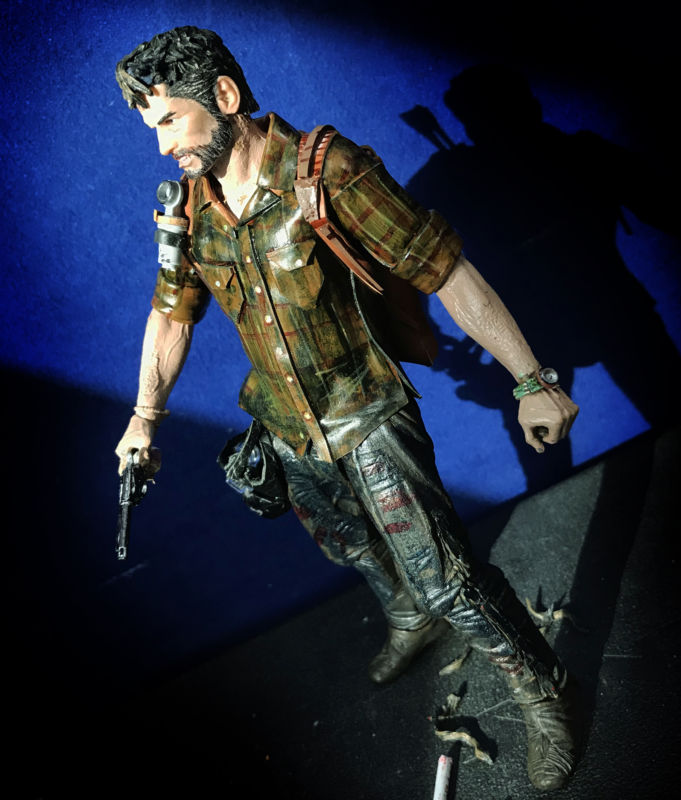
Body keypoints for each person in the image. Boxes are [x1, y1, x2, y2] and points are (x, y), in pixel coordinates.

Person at [114, 26, 580, 791]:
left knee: (448, 578)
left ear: (223, 96)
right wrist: (144, 416)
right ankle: (408, 618)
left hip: (365, 412)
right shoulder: (191, 208)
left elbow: (443, 270)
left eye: (170, 120)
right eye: (152, 128)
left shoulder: (328, 171)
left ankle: (543, 687)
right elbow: (171, 314)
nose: (163, 145)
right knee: (349, 543)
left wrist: (531, 380)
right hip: (286, 423)